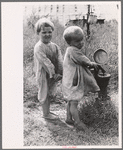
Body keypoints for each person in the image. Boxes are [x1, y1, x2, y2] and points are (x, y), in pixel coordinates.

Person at [62, 26, 100, 130]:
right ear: (70, 42)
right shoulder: (73, 50)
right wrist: (91, 63)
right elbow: (82, 59)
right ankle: (78, 123)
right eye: (77, 41)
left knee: (70, 100)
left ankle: (69, 118)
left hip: (69, 81)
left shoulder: (69, 49)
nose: (81, 43)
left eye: (81, 40)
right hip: (74, 82)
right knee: (74, 102)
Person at [34, 18, 63, 120]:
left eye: (49, 32)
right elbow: (46, 62)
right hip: (43, 74)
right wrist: (53, 73)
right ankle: (45, 114)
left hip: (53, 74)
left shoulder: (54, 46)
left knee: (50, 92)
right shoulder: (39, 47)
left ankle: (48, 111)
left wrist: (60, 72)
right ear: (38, 33)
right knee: (44, 93)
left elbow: (60, 59)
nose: (47, 34)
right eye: (44, 32)